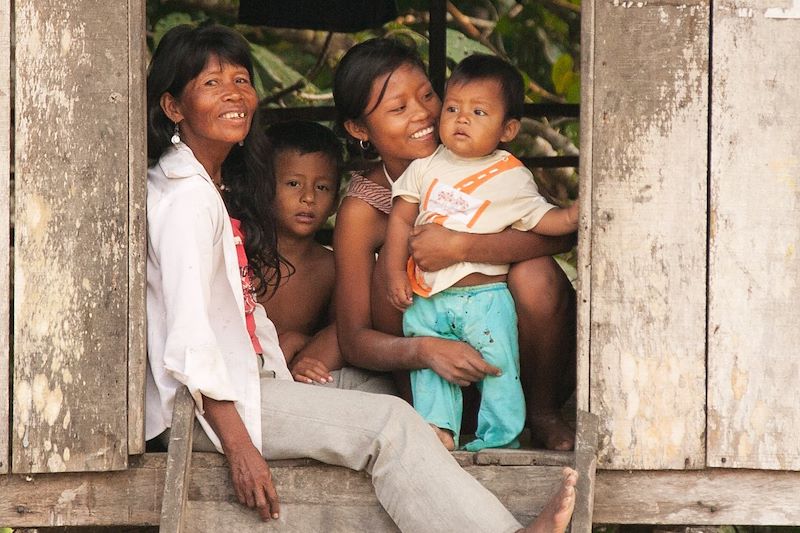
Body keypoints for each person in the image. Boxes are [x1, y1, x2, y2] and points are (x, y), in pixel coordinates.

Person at [145, 23, 578, 531]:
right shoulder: (186, 201)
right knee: (392, 425)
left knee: (384, 395)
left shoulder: (200, 184)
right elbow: (193, 345)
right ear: (174, 107)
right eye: (212, 84)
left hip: (248, 383)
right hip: (215, 408)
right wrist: (240, 448)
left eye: (241, 79)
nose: (234, 95)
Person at [333, 38, 578, 451]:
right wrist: (426, 351)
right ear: (360, 130)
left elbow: (561, 232)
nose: (424, 113)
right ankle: (431, 421)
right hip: (429, 365)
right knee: (390, 270)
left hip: (516, 364)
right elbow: (354, 338)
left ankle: (541, 412)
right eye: (398, 108)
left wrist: (462, 247)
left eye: (428, 95)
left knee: (534, 273)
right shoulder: (363, 210)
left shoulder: (484, 157)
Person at [259, 120, 343, 385]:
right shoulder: (241, 254)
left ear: (335, 203)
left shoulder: (332, 268)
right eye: (294, 183)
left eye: (322, 187)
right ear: (263, 188)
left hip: (295, 381)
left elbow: (345, 334)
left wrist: (303, 344)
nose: (309, 197)